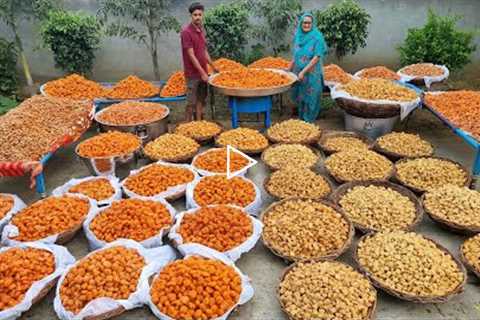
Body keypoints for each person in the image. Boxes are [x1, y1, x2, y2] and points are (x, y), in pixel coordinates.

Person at [288, 13, 328, 123]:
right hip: (298, 73)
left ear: (312, 24)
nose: (306, 25)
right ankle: (302, 122)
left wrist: (303, 72)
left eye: (309, 23)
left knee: (311, 98)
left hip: (311, 73)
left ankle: (309, 122)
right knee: (301, 97)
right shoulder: (298, 36)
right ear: (301, 23)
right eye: (304, 23)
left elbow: (317, 57)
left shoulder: (317, 37)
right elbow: (295, 55)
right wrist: (288, 69)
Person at [180, 2, 217, 121]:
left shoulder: (201, 30)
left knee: (201, 100)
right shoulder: (186, 32)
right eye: (195, 14)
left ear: (202, 15)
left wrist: (212, 66)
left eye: (199, 14)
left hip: (204, 73)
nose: (197, 17)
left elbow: (204, 50)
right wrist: (202, 73)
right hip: (193, 74)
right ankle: (185, 126)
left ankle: (199, 123)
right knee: (191, 103)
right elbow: (191, 55)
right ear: (191, 16)